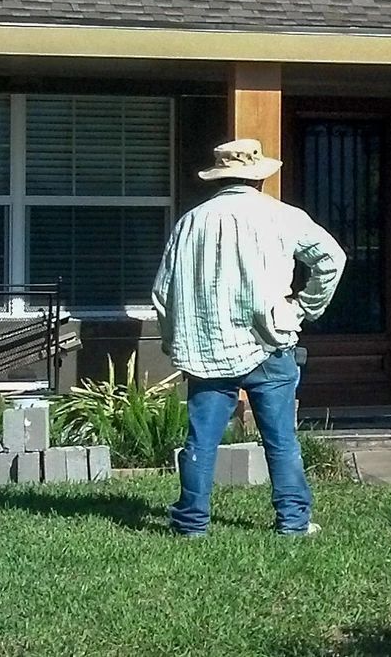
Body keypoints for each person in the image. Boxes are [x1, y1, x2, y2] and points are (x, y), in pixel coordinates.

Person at [151, 139, 346, 537]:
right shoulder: (282, 216)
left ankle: (191, 523)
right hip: (271, 343)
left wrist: (174, 340)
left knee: (201, 441)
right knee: (281, 439)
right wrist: (306, 306)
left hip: (207, 347)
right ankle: (293, 522)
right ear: (259, 177)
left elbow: (162, 292)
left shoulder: (190, 222)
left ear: (218, 178)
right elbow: (331, 259)